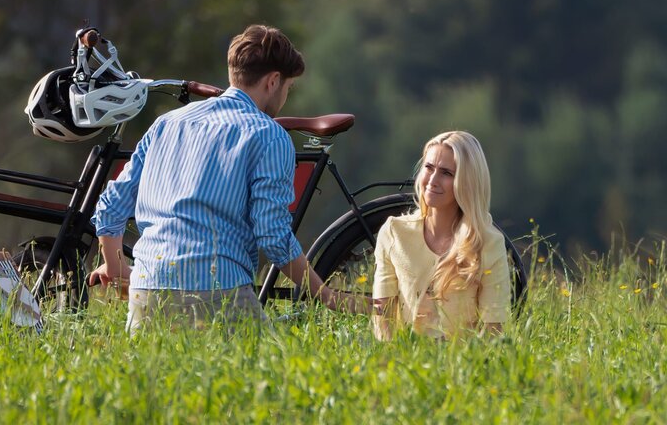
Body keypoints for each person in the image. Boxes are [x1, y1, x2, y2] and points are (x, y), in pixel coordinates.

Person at [89, 24, 368, 332]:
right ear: (274, 81)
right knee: (276, 377)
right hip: (218, 291)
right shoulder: (267, 134)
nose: (285, 95)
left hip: (147, 290)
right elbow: (273, 236)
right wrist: (326, 294)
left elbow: (112, 205)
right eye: (288, 87)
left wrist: (117, 271)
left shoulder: (166, 123)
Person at [372, 131, 510, 340]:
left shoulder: (489, 242)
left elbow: (493, 329)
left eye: (446, 173)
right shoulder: (394, 233)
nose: (432, 180)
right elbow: (383, 317)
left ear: (467, 182)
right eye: (428, 168)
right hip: (404, 363)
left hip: (462, 365)